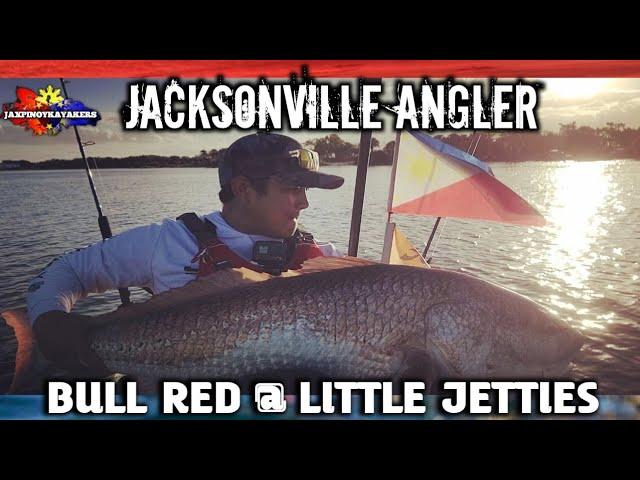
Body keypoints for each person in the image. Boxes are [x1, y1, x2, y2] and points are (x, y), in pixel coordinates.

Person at [26, 132, 345, 376]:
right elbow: (65, 269)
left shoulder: (328, 261)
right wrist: (48, 319)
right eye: (292, 188)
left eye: (306, 190)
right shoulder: (167, 242)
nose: (304, 203)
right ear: (243, 189)